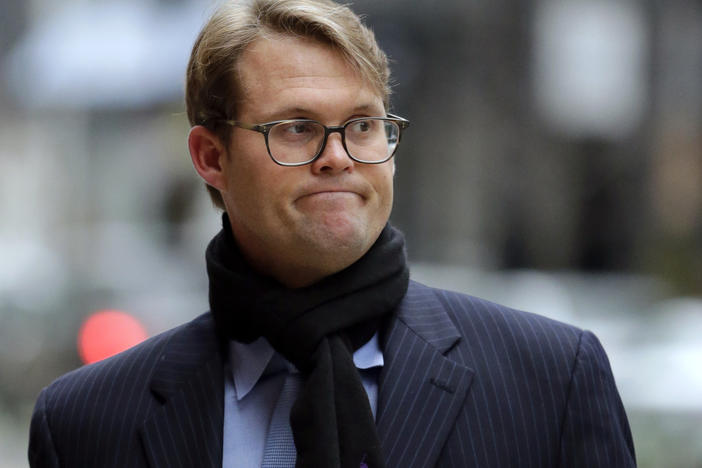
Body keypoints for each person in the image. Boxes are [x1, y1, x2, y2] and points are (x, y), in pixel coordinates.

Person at [28, 0, 636, 467]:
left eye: (363, 125)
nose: (338, 156)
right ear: (211, 157)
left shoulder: (553, 381)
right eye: (297, 128)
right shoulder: (84, 422)